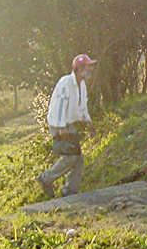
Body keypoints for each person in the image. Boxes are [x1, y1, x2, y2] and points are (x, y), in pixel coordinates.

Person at [36, 53, 99, 198]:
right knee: (70, 158)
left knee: (78, 159)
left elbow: (82, 106)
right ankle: (45, 179)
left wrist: (89, 122)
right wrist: (61, 126)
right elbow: (59, 105)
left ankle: (69, 192)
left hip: (69, 123)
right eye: (88, 66)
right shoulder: (65, 82)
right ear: (79, 68)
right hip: (59, 123)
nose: (90, 69)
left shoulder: (81, 85)